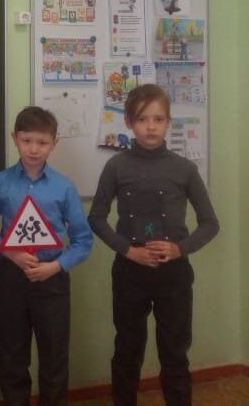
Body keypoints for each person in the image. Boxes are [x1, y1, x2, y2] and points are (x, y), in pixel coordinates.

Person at [88, 84, 219, 406]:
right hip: (129, 272)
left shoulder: (185, 169)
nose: (151, 126)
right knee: (127, 350)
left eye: (158, 119)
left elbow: (210, 223)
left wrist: (179, 249)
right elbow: (97, 218)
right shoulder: (116, 166)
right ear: (129, 122)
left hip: (173, 275)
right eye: (143, 119)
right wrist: (128, 250)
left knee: (175, 353)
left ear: (168, 122)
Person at [0, 106, 93, 406]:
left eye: (42, 142)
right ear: (15, 138)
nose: (34, 149)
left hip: (52, 279)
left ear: (54, 143)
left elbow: (83, 240)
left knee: (54, 354)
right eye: (27, 140)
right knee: (11, 353)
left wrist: (56, 266)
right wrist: (10, 254)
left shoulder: (64, 187)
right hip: (11, 276)